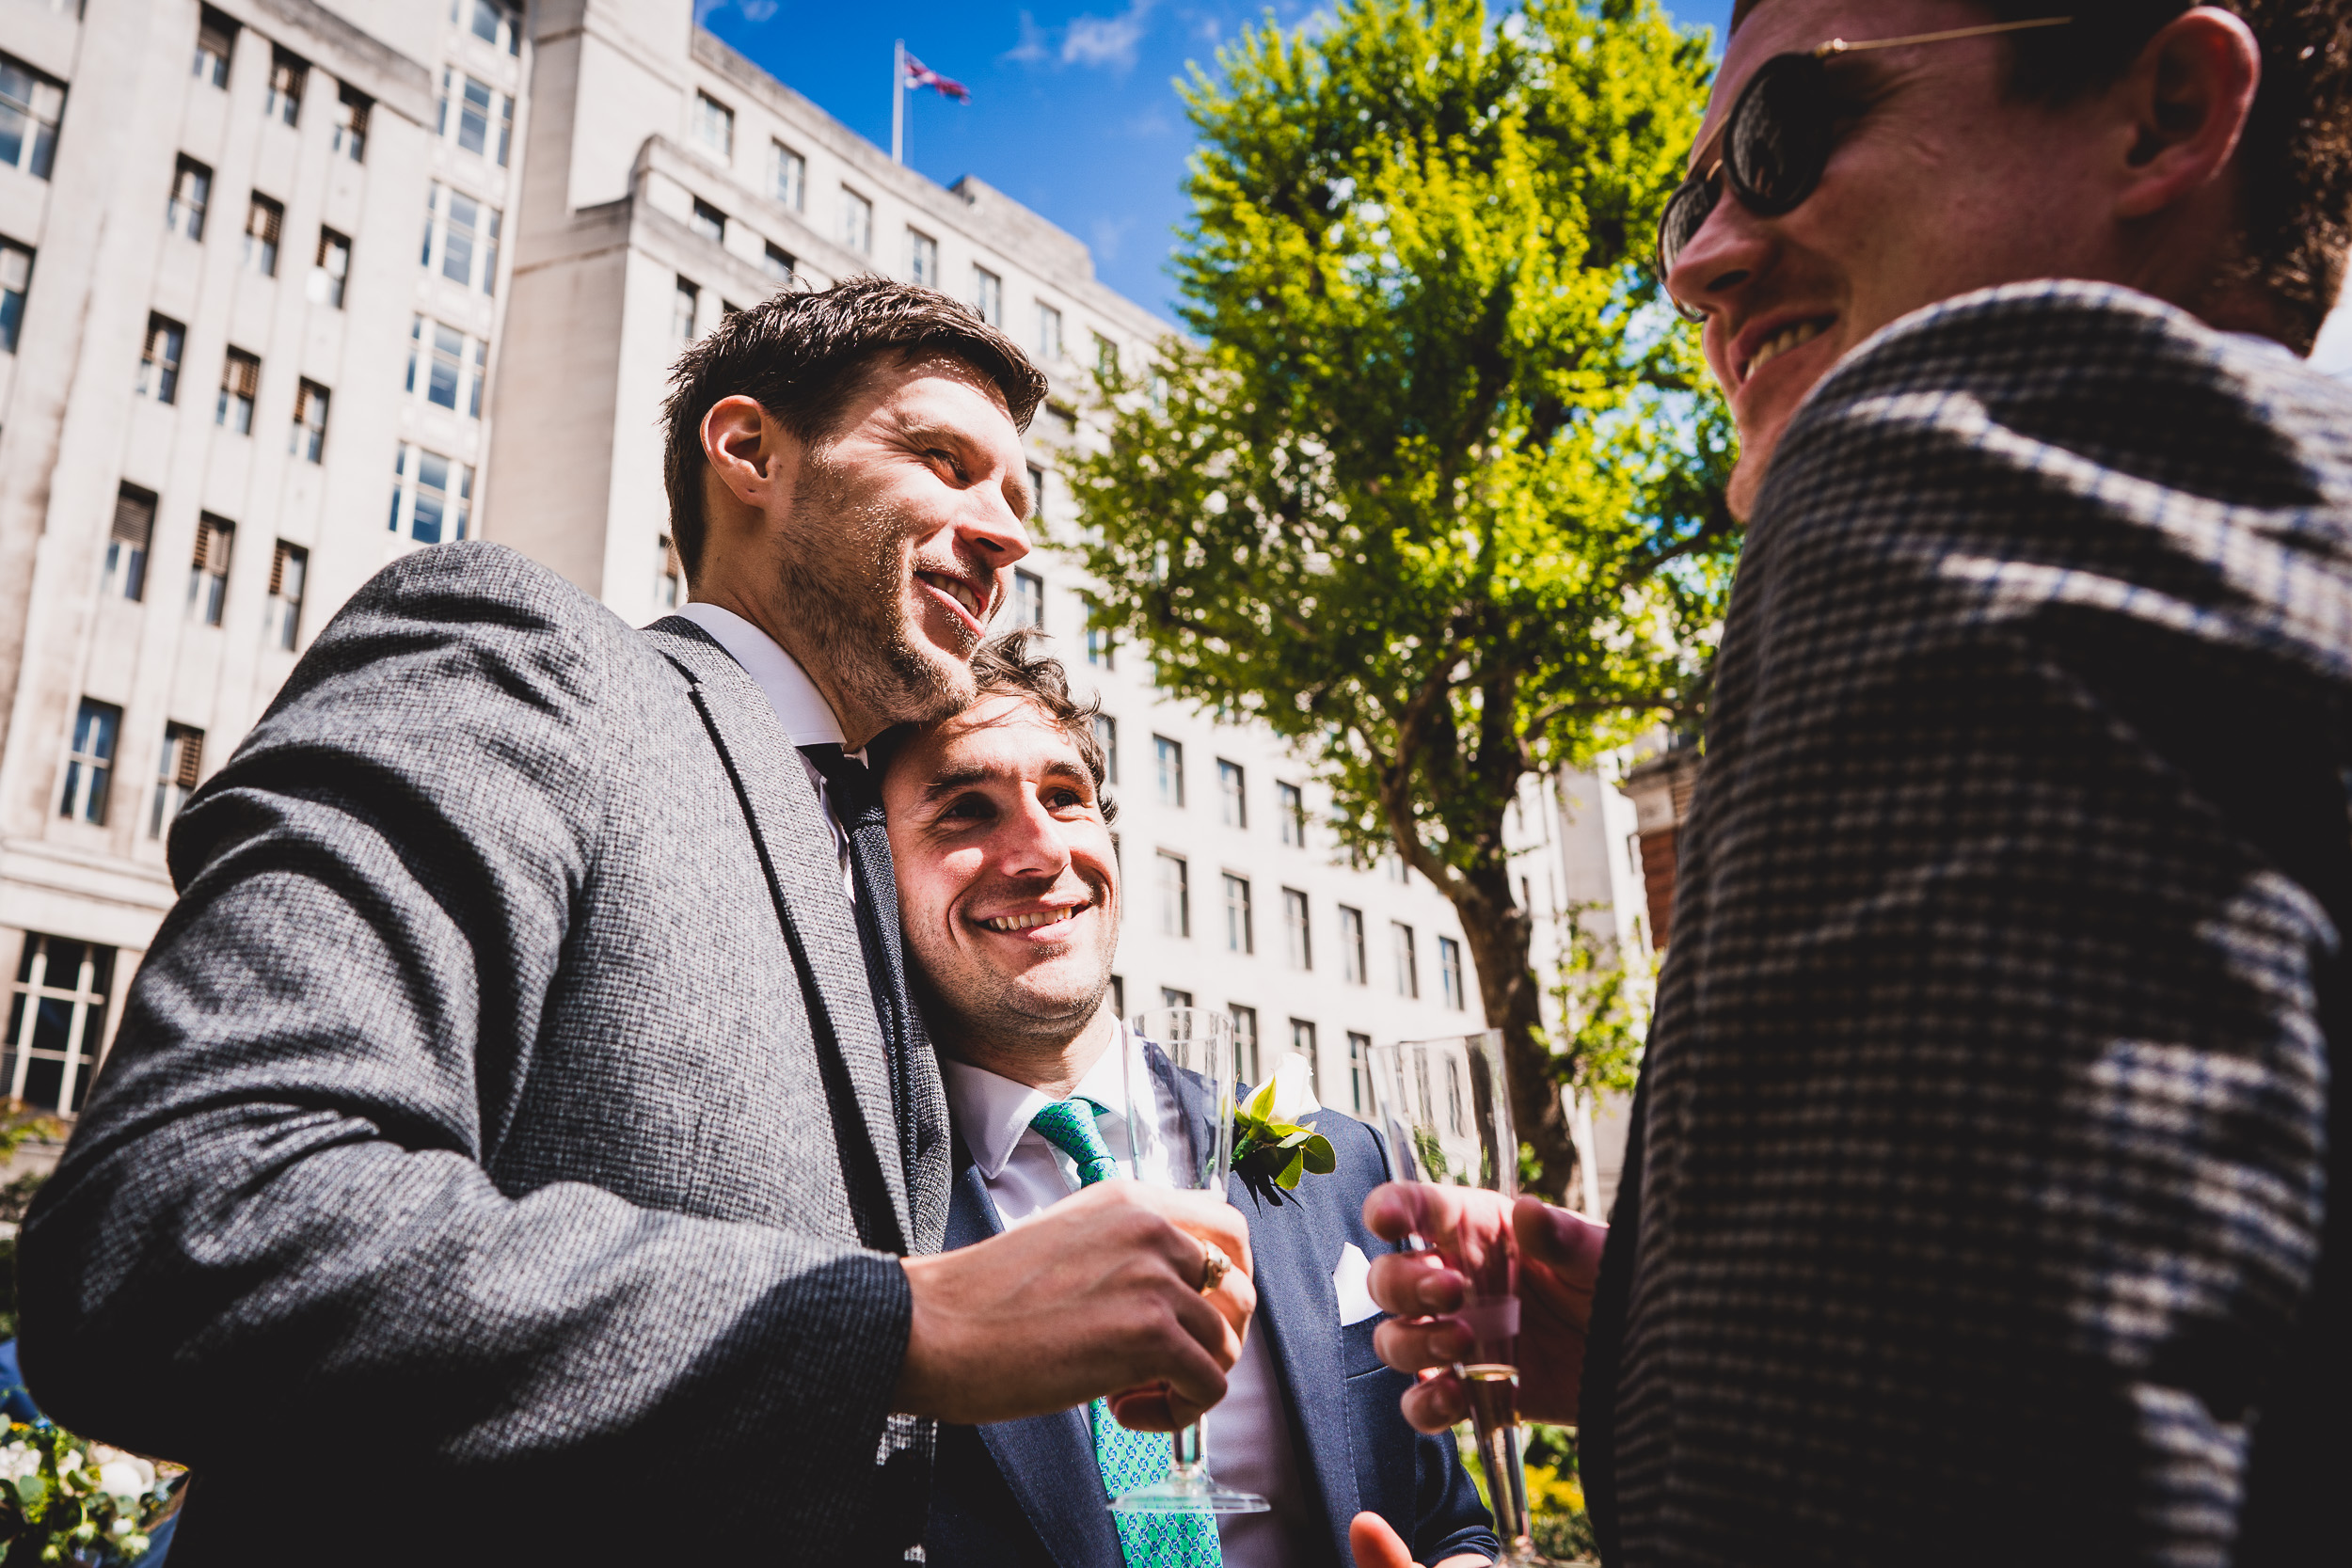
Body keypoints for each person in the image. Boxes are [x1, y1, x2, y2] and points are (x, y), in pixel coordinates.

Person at [15, 281, 1252, 1565]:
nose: (1006, 535)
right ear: (748, 450)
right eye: (947, 460)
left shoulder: (879, 860)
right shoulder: (522, 659)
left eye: (1019, 501)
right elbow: (181, 1221)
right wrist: (901, 1327)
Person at [1359, 4, 2350, 1564]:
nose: (1700, 263)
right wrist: (1666, 1338)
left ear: (2164, 114)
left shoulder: (1932, 469)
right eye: (1689, 205)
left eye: (1779, 145)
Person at [877, 632, 1496, 1568]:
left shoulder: (1341, 1160)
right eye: (965, 810)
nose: (1042, 849)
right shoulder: (855, 1210)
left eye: (1064, 797)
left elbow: (1447, 1517)